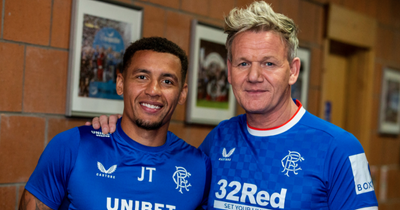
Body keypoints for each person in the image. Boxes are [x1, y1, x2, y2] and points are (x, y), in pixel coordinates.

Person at [92, 1, 379, 209]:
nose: (254, 76)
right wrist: (119, 129)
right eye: (243, 63)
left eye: (268, 63)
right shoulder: (218, 140)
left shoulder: (339, 148)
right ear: (229, 71)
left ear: (292, 70)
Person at [19, 37, 211, 210]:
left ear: (182, 94)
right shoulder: (73, 146)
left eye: (167, 81)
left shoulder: (199, 167)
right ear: (120, 84)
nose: (153, 90)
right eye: (142, 77)